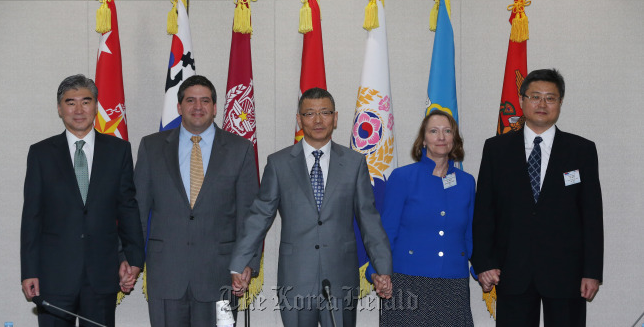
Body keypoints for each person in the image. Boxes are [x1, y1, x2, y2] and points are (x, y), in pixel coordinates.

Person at [229, 88, 393, 327]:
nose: (318, 120)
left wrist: (383, 268)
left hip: (341, 278)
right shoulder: (279, 163)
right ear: (299, 119)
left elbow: (369, 220)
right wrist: (240, 262)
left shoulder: (354, 163)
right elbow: (259, 216)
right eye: (309, 114)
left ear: (335, 118)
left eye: (325, 112)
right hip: (296, 277)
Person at [472, 68, 604, 327]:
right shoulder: (496, 149)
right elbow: (484, 212)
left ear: (560, 103)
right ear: (522, 101)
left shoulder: (582, 150)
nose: (542, 104)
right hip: (512, 270)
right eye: (535, 97)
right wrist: (484, 262)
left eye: (550, 98)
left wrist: (592, 272)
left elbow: (591, 215)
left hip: (567, 273)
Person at [134, 75, 259, 327]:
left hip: (221, 274)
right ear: (179, 107)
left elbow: (249, 215)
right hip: (166, 273)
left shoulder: (240, 149)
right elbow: (137, 210)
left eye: (205, 100)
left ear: (215, 107)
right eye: (190, 100)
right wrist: (129, 258)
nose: (198, 106)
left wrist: (246, 262)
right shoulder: (151, 147)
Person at [20, 74, 144, 326]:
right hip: (54, 276)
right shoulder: (41, 153)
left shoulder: (118, 150)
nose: (78, 110)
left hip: (101, 274)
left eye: (86, 102)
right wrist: (29, 271)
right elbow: (32, 216)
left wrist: (133, 259)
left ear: (96, 106)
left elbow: (128, 208)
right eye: (70, 102)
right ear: (59, 108)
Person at [366, 109, 475, 326]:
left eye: (447, 131)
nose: (441, 137)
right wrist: (377, 272)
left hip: (453, 284)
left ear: (455, 139)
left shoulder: (466, 182)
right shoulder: (402, 177)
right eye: (434, 131)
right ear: (423, 140)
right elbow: (387, 231)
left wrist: (483, 268)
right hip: (408, 281)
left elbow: (470, 234)